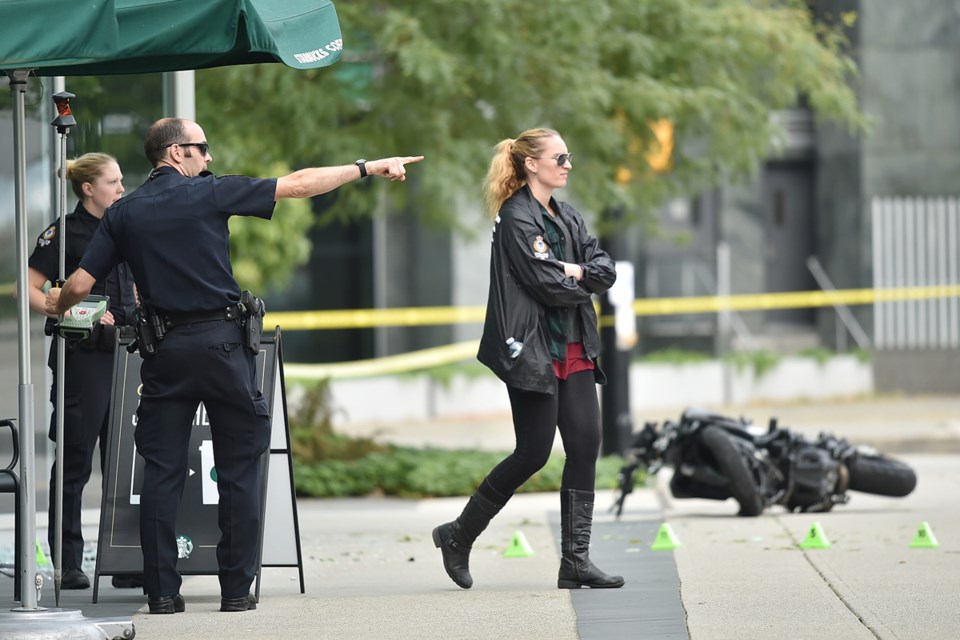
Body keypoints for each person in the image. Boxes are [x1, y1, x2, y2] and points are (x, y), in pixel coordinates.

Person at [46, 117, 423, 614]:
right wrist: (366, 167)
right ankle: (236, 592)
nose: (210, 157)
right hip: (223, 347)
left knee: (160, 474)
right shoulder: (211, 193)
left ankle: (161, 593)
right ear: (177, 152)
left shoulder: (123, 213)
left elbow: (77, 287)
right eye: (203, 148)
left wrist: (56, 305)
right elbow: (299, 184)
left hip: (164, 355)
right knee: (241, 468)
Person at [432, 128, 624, 590]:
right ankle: (459, 535)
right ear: (532, 164)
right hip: (533, 350)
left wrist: (576, 270)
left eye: (568, 157)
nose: (568, 165)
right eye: (560, 157)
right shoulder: (516, 217)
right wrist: (581, 279)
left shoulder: (568, 215)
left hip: (574, 346)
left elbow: (606, 269)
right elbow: (545, 285)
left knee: (585, 446)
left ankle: (575, 562)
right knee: (534, 452)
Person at [20, 152, 141, 590]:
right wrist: (73, 307)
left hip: (126, 356)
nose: (121, 188)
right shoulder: (66, 232)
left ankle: (124, 558)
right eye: (113, 181)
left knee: (122, 463)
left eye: (121, 180)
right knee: (74, 464)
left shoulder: (126, 226)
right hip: (82, 359)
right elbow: (28, 286)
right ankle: (68, 563)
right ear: (88, 188)